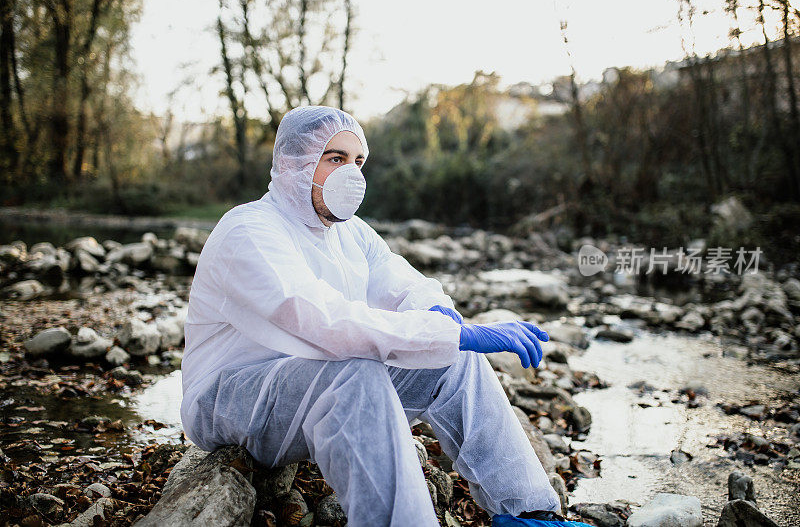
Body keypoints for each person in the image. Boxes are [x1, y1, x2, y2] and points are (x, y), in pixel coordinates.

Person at [180, 105, 591, 527]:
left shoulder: (350, 231)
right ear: (291, 162)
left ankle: (527, 514)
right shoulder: (249, 230)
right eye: (335, 159)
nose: (352, 175)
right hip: (230, 399)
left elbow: (405, 283)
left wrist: (442, 318)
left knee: (455, 356)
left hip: (311, 387)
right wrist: (449, 333)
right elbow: (324, 322)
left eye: (358, 162)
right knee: (356, 369)